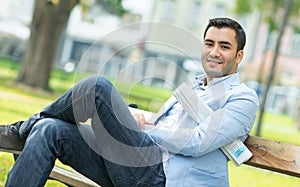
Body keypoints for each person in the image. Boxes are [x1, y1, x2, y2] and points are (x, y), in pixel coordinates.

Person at [0, 17, 259, 187]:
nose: (214, 52)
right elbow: (165, 125)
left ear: (239, 55)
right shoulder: (193, 86)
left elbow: (198, 141)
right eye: (209, 43)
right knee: (50, 131)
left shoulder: (243, 98)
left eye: (224, 46)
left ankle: (22, 130)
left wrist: (143, 129)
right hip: (134, 167)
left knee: (97, 88)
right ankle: (32, 128)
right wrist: (136, 120)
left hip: (161, 178)